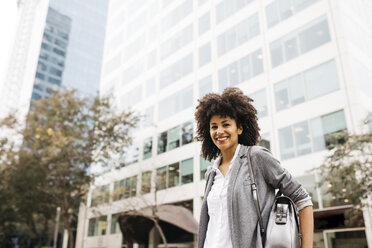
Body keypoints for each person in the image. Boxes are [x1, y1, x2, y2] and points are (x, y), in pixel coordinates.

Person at [195, 87, 314, 248]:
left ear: (239, 128)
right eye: (214, 126)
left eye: (226, 124)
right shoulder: (211, 172)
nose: (219, 131)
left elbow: (302, 199)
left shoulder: (256, 157)